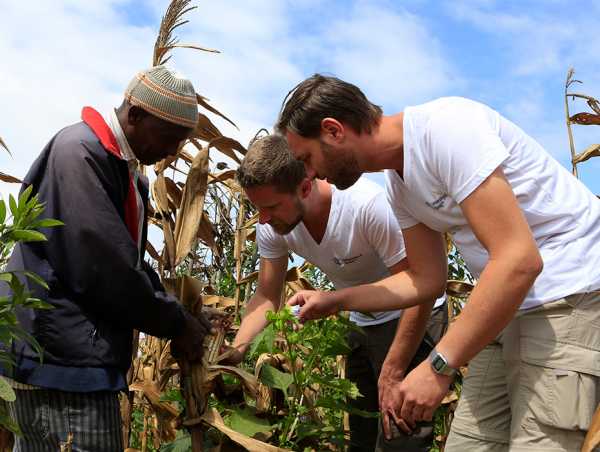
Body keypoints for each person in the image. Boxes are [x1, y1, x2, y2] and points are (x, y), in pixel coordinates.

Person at [276, 74, 600, 451]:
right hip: (507, 307)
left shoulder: (446, 129)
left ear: (333, 131)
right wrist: (338, 300)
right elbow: (425, 280)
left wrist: (437, 366)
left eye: (306, 159)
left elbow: (519, 259)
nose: (310, 175)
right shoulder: (399, 185)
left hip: (569, 293)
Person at [0, 66, 213, 450]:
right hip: (62, 361)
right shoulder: (78, 154)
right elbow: (103, 267)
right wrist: (176, 325)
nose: (172, 152)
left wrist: (181, 313)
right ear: (135, 116)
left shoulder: (120, 167)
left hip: (63, 354)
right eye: (169, 138)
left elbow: (126, 261)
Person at [232, 135, 447, 451]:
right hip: (360, 319)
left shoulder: (366, 208)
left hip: (412, 318)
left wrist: (393, 370)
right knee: (361, 437)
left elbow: (420, 286)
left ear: (305, 187)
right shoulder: (271, 225)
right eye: (256, 207)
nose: (262, 218)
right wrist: (234, 352)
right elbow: (266, 295)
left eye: (271, 206)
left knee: (400, 439)